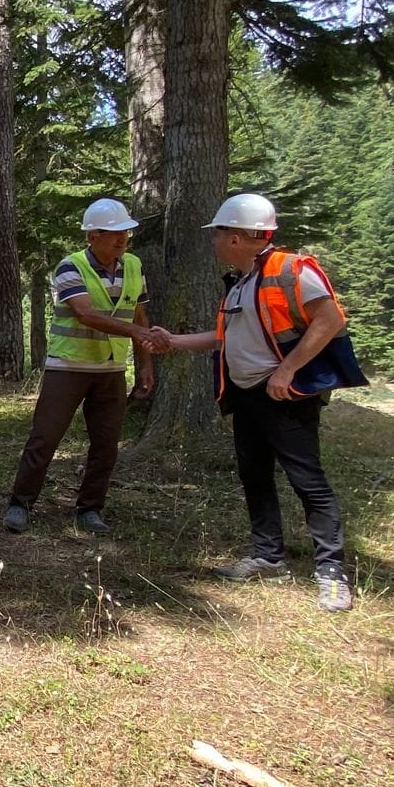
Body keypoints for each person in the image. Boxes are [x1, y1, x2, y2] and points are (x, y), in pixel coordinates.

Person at [148, 192, 360, 612]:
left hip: (284, 396)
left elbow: (331, 318)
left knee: (308, 481)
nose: (214, 241)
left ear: (238, 237)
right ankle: (268, 556)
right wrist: (173, 342)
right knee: (254, 475)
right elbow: (224, 338)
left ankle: (332, 574)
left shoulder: (291, 270)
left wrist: (286, 370)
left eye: (219, 232)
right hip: (246, 397)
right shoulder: (240, 283)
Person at [2, 198, 155, 537]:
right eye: (114, 233)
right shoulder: (70, 267)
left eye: (125, 232)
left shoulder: (133, 266)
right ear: (92, 236)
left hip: (111, 370)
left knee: (106, 444)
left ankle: (90, 509)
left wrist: (145, 364)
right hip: (67, 367)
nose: (121, 239)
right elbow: (85, 313)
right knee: (45, 438)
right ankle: (20, 503)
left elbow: (140, 315)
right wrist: (136, 332)